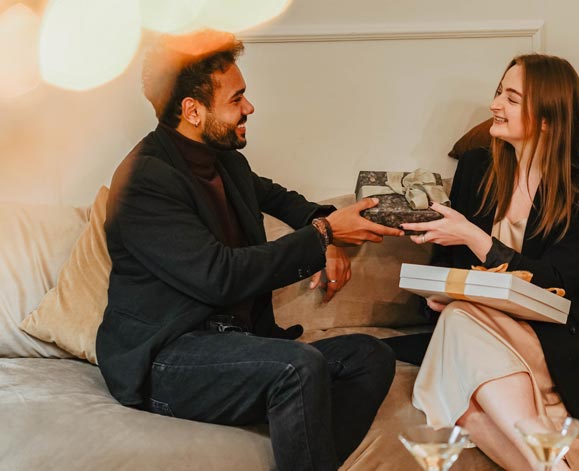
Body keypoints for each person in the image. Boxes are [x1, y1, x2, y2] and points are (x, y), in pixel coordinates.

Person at [96, 30, 404, 471]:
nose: (249, 107)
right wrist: (321, 236)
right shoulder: (143, 181)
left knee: (370, 356)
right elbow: (219, 276)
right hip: (168, 358)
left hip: (237, 345)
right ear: (193, 111)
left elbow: (287, 202)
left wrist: (330, 233)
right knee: (298, 368)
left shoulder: (226, 161)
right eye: (237, 98)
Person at [396, 54, 579, 470]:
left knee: (457, 348)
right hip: (481, 323)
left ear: (546, 118)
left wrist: (475, 238)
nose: (494, 105)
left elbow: (559, 281)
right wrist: (436, 294)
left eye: (511, 98)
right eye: (498, 93)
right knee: (458, 340)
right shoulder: (476, 168)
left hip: (555, 332)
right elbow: (448, 264)